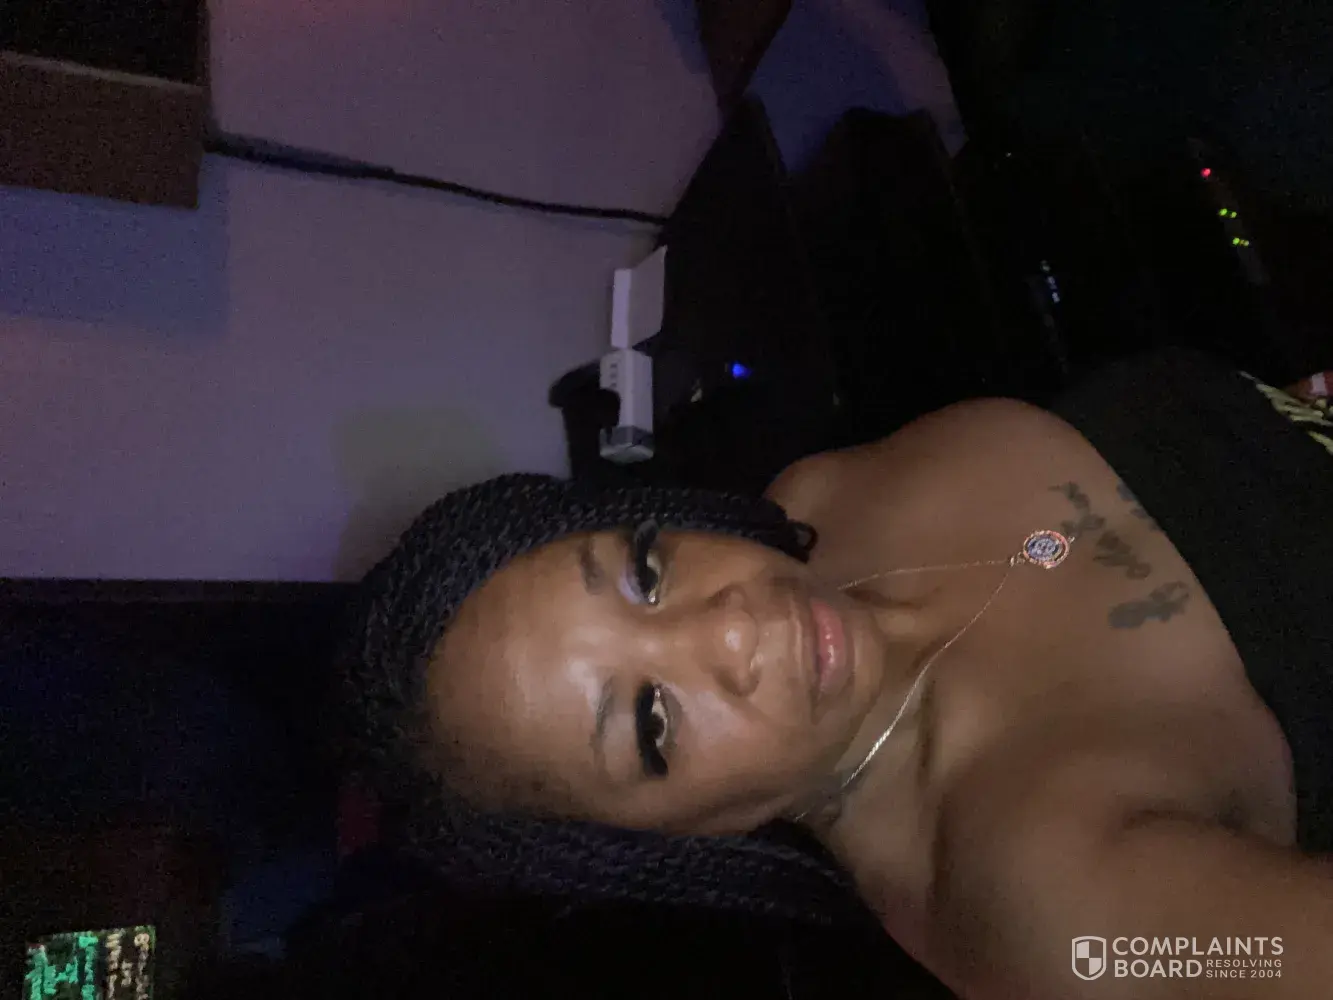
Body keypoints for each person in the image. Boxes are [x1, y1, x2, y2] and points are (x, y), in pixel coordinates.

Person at [340, 349, 1333, 999]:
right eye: (651, 722)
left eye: (644, 572)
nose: (729, 629)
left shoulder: (820, 498)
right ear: (672, 840)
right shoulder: (1056, 914)